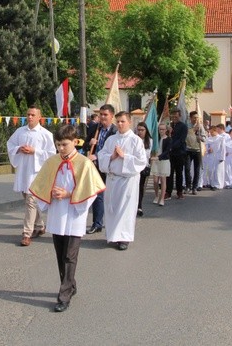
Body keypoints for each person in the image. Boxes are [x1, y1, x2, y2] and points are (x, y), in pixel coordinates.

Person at [29, 124, 105, 313]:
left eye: (64, 144)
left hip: (73, 214)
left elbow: (92, 190)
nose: (60, 148)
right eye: (58, 145)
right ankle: (70, 283)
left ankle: (64, 294)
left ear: (75, 142)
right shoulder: (52, 161)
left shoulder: (84, 163)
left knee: (70, 255)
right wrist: (50, 193)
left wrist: (69, 194)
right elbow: (41, 184)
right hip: (56, 213)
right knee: (60, 254)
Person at [7, 106, 56, 246]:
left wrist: (35, 151)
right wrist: (18, 149)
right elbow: (10, 144)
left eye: (33, 115)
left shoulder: (45, 134)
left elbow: (51, 153)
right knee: (28, 199)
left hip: (36, 172)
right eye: (28, 114)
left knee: (31, 201)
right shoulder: (20, 131)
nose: (30, 117)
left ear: (39, 117)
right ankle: (40, 226)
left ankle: (26, 233)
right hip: (23, 170)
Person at [98, 111, 148, 251]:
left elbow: (141, 161)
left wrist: (124, 156)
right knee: (112, 207)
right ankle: (113, 235)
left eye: (123, 121)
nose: (119, 124)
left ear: (129, 122)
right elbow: (101, 155)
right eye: (118, 121)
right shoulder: (111, 139)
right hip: (113, 178)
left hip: (127, 180)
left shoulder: (135, 140)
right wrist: (111, 157)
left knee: (125, 209)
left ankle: (124, 238)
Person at [84, 104, 117, 234]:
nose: (102, 117)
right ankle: (97, 223)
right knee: (97, 194)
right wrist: (89, 143)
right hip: (95, 167)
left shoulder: (115, 131)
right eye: (101, 114)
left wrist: (97, 156)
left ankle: (112, 223)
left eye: (105, 115)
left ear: (111, 116)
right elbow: (85, 145)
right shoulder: (94, 128)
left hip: (109, 167)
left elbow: (114, 151)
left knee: (110, 196)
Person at [166, 109, 189, 199]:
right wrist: (169, 132)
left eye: (176, 116)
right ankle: (168, 192)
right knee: (169, 173)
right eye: (173, 116)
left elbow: (181, 140)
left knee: (179, 173)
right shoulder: (170, 126)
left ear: (180, 116)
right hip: (170, 154)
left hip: (179, 152)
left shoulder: (183, 126)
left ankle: (179, 191)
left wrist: (172, 147)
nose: (174, 118)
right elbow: (166, 138)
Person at [185, 110, 207, 194]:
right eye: (194, 118)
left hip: (197, 150)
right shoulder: (187, 126)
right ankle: (188, 186)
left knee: (197, 169)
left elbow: (204, 138)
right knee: (187, 169)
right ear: (190, 118)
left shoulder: (200, 126)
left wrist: (200, 138)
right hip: (188, 149)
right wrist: (193, 130)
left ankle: (194, 187)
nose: (196, 119)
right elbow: (185, 136)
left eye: (197, 118)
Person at [135, 122, 153, 216]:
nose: (140, 132)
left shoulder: (149, 140)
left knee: (140, 187)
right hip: (134, 167)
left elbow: (147, 154)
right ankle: (133, 206)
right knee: (134, 187)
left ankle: (139, 206)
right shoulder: (134, 139)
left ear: (146, 130)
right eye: (139, 130)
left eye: (142, 130)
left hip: (143, 166)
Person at [151, 124, 170, 205]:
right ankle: (156, 195)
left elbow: (167, 151)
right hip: (155, 161)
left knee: (163, 180)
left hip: (164, 161)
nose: (161, 131)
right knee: (155, 181)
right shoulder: (156, 139)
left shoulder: (169, 139)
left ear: (166, 130)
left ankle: (162, 198)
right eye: (160, 129)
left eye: (162, 129)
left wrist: (158, 157)